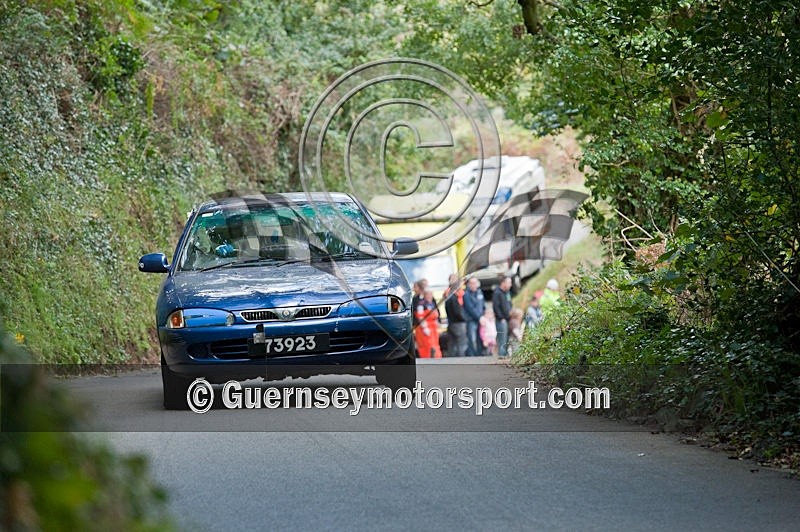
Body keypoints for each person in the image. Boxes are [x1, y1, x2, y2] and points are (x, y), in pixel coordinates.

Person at [443, 274, 468, 357]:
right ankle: (461, 362)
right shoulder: (453, 296)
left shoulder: (449, 295)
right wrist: (464, 318)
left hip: (452, 322)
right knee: (461, 345)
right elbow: (457, 311)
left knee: (452, 345)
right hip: (458, 323)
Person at [414, 289, 442, 358]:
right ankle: (428, 359)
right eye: (428, 295)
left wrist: (437, 322)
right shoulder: (421, 304)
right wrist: (425, 327)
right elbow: (420, 317)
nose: (430, 296)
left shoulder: (432, 303)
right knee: (428, 345)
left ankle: (437, 358)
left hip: (433, 327)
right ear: (425, 295)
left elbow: (435, 315)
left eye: (431, 295)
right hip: (426, 327)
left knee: (435, 343)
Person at [462, 276, 485, 356]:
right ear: (469, 284)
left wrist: (483, 316)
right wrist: (479, 317)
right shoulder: (466, 294)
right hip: (471, 320)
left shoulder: (479, 292)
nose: (474, 285)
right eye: (472, 283)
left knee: (480, 338)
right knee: (472, 339)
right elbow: (470, 308)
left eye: (475, 283)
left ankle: (480, 354)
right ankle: (471, 356)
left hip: (481, 320)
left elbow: (483, 305)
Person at [492, 276, 513, 358]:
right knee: (502, 339)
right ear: (503, 283)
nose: (510, 285)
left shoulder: (507, 293)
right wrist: (501, 318)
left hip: (508, 319)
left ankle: (505, 355)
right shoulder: (497, 293)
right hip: (501, 320)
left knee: (507, 338)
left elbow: (510, 304)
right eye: (509, 283)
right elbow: (496, 307)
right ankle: (501, 355)